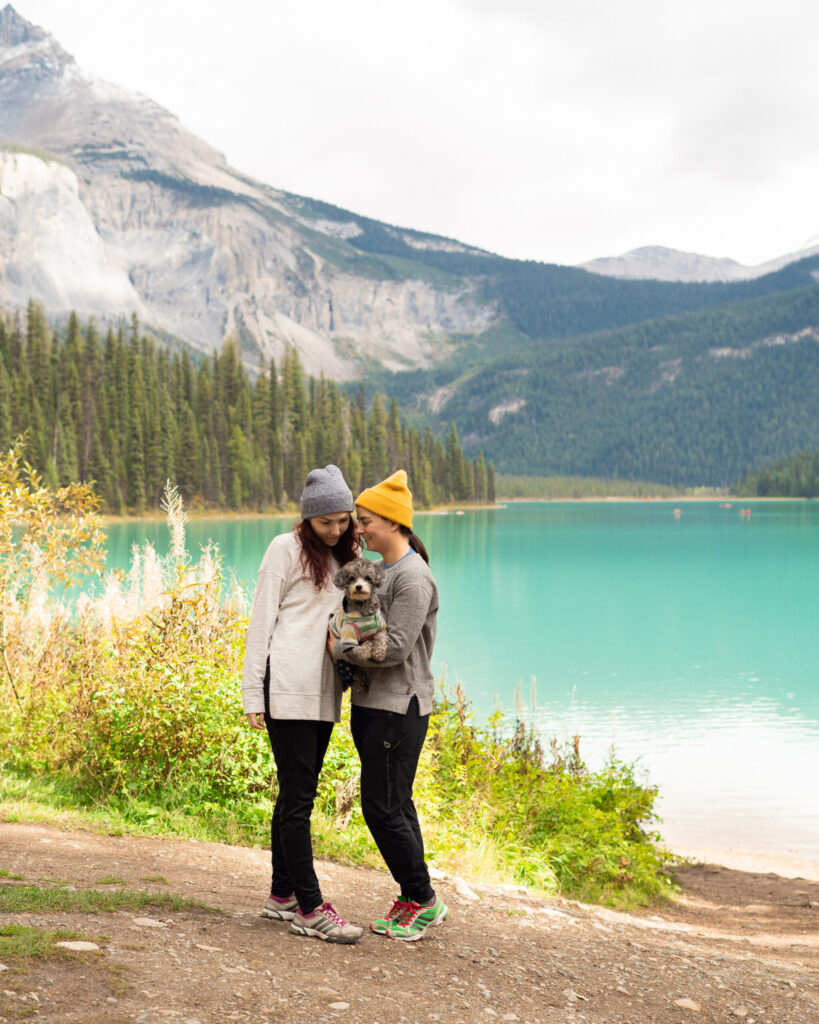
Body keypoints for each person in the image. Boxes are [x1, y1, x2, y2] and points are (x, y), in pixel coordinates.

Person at [242, 464, 364, 944]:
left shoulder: (346, 555)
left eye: (343, 519)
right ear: (308, 519)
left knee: (296, 792)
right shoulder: (284, 549)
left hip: (323, 690)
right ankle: (311, 908)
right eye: (326, 522)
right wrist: (253, 693)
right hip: (287, 688)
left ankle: (281, 895)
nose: (336, 529)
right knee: (299, 800)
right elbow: (260, 625)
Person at [329, 470, 449, 941]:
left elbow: (396, 647)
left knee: (381, 808)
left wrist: (339, 650)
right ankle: (414, 894)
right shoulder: (387, 572)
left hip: (399, 706)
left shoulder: (413, 577)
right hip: (378, 703)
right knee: (397, 804)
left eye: (365, 521)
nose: (358, 529)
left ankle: (423, 899)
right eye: (357, 521)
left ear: (394, 523)